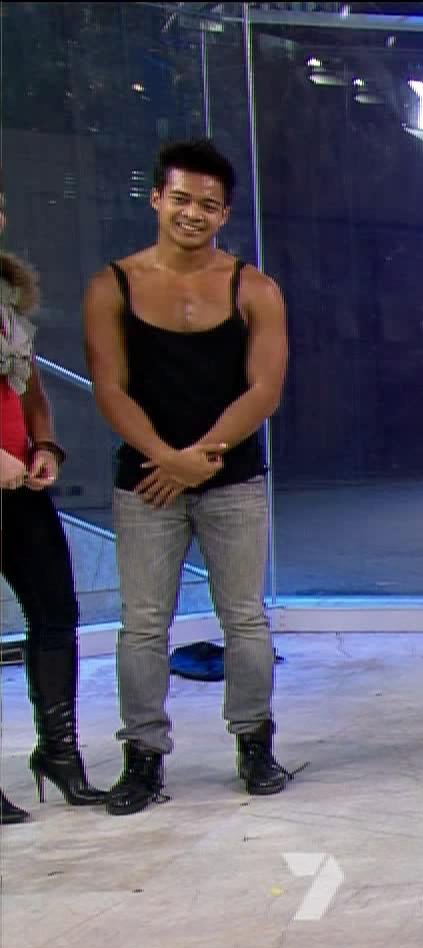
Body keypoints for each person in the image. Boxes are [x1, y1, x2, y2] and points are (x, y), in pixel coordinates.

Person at [83, 139, 292, 816]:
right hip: (146, 482)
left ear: (225, 213)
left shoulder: (254, 289)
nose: (192, 214)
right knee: (143, 625)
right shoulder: (112, 286)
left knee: (245, 620)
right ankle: (142, 756)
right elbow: (110, 388)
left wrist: (199, 454)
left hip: (233, 480)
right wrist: (166, 459)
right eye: (180, 199)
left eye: (207, 204)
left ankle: (254, 742)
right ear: (156, 199)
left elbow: (264, 390)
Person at [1, 182, 108, 824]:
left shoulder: (9, 301)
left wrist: (44, 445)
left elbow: (31, 389)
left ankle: (59, 753)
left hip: (22, 486)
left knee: (56, 612)